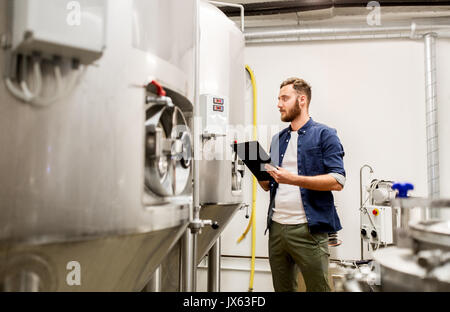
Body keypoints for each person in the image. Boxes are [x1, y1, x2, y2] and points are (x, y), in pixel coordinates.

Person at [259, 77, 346, 292]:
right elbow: (268, 185)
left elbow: (337, 181)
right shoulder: (278, 139)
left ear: (302, 100)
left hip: (309, 230)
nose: (279, 104)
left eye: (284, 98)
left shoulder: (325, 134)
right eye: (278, 99)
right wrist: (256, 168)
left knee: (319, 289)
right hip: (277, 229)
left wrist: (294, 179)